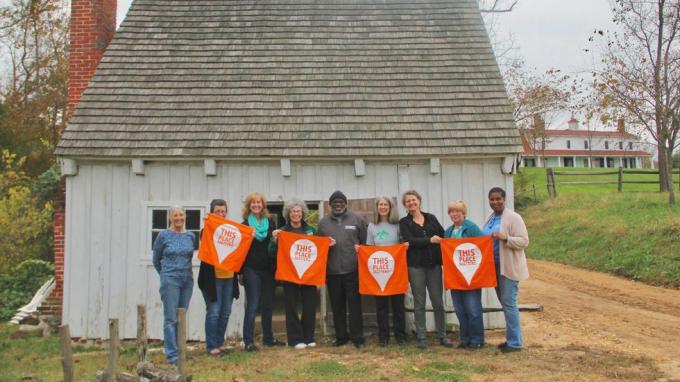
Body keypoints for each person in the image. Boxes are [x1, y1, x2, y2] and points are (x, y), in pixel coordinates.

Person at [399, 190, 453, 349]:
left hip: (434, 265)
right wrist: (429, 240)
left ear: (419, 201)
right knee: (419, 302)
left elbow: (443, 235)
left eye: (413, 200)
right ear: (405, 205)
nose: (411, 203)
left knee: (437, 301)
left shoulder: (431, 217)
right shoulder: (404, 222)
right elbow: (410, 240)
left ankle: (442, 335)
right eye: (408, 201)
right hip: (415, 266)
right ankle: (422, 337)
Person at [482, 187, 530, 353]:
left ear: (504, 199)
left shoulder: (513, 217)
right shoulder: (490, 218)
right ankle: (511, 339)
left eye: (498, 199)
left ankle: (516, 343)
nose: (495, 202)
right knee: (505, 303)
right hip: (494, 267)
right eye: (492, 199)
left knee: (509, 304)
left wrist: (507, 238)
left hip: (508, 267)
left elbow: (524, 241)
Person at [271, 198, 322, 349]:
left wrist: (327, 244)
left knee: (310, 305)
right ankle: (295, 339)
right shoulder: (283, 231)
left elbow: (318, 248)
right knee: (291, 306)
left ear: (303, 213)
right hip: (290, 274)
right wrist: (274, 241)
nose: (296, 214)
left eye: (298, 211)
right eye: (293, 211)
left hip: (308, 274)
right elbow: (272, 252)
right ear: (288, 213)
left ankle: (308, 337)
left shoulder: (311, 230)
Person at [318, 190, 367, 348]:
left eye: (340, 202)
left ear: (346, 203)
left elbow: (365, 243)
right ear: (330, 205)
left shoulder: (357, 219)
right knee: (337, 306)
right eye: (335, 203)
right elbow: (319, 247)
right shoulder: (323, 222)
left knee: (354, 305)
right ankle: (341, 337)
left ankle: (357, 337)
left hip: (352, 270)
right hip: (332, 272)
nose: (338, 205)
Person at [240, 192, 284, 351]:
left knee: (268, 304)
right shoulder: (244, 225)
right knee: (253, 305)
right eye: (253, 203)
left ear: (263, 205)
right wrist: (240, 272)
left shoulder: (270, 223)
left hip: (268, 269)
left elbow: (273, 247)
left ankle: (268, 338)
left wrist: (274, 239)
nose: (256, 205)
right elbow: (240, 250)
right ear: (249, 206)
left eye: (259, 202)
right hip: (251, 269)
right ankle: (248, 341)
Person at [152, 206, 196, 364]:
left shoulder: (190, 236)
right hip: (170, 280)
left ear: (185, 216)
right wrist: (165, 276)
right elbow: (156, 259)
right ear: (170, 218)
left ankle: (180, 351)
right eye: (175, 215)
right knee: (170, 318)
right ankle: (172, 355)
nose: (178, 218)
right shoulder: (163, 236)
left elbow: (191, 256)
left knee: (181, 316)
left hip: (187, 280)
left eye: (181, 215)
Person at [197, 199, 239, 356]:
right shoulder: (206, 230)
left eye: (223, 211)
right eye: (217, 212)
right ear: (211, 213)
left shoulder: (232, 231)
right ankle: (211, 346)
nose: (221, 214)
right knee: (214, 311)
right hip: (212, 278)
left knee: (225, 311)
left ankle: (219, 344)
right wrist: (209, 224)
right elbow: (204, 239)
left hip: (229, 277)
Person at [443, 200, 485, 349]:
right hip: (455, 277)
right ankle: (465, 339)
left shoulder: (471, 228)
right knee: (460, 310)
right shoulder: (448, 232)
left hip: (471, 276)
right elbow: (446, 258)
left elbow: (482, 247)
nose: (454, 214)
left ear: (463, 213)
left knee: (473, 309)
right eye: (451, 211)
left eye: (457, 211)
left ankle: (477, 339)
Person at [366, 196, 407, 347]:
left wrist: (405, 246)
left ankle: (400, 336)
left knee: (398, 306)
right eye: (380, 205)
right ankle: (383, 337)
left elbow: (402, 244)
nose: (383, 207)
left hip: (396, 270)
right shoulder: (371, 226)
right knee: (381, 306)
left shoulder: (397, 225)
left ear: (390, 207)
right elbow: (369, 248)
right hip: (379, 271)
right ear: (377, 208)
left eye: (386, 205)